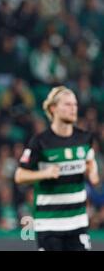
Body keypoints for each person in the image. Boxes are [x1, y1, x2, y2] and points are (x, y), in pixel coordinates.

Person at [14, 86, 100, 251]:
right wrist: (44, 173)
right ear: (53, 108)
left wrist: (93, 172)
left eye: (74, 104)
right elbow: (19, 175)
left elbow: (90, 161)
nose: (73, 108)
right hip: (49, 223)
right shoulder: (40, 142)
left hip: (77, 222)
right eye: (67, 104)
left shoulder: (84, 138)